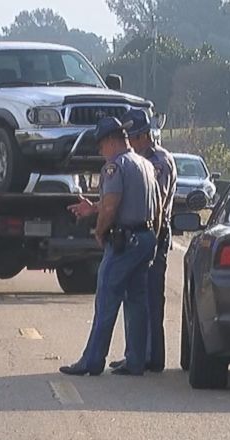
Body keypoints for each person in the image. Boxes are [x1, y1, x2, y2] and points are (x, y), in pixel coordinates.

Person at [61, 116, 159, 377]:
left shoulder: (114, 167)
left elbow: (113, 204)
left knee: (106, 298)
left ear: (111, 141)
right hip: (145, 237)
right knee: (137, 301)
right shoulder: (145, 164)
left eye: (100, 146)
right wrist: (93, 207)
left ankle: (92, 360)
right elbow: (154, 207)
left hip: (125, 241)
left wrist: (100, 229)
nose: (100, 152)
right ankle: (136, 360)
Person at [108, 109, 178, 373]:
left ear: (144, 136)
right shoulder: (135, 161)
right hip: (139, 233)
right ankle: (135, 353)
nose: (130, 144)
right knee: (134, 296)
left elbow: (154, 203)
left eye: (133, 138)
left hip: (155, 231)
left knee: (150, 297)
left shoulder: (159, 161)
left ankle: (152, 356)